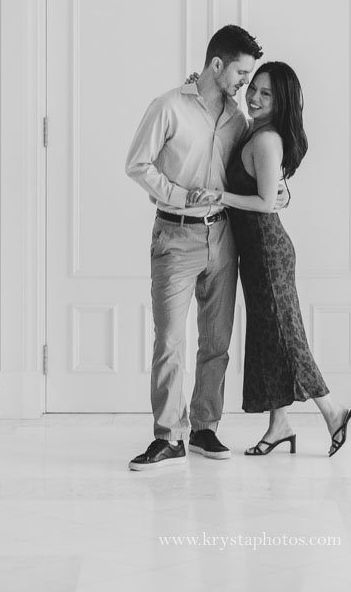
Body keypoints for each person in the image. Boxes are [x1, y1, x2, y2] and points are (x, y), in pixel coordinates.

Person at [123, 24, 274, 471]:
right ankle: (169, 436)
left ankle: (205, 427)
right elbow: (137, 164)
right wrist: (176, 195)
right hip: (175, 236)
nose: (245, 86)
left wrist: (277, 188)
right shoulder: (167, 107)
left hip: (224, 236)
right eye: (241, 75)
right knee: (169, 340)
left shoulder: (238, 119)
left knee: (217, 341)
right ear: (216, 65)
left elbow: (250, 169)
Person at [213, 62, 351, 457]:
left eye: (266, 94)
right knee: (268, 338)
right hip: (257, 249)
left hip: (268, 251)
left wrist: (220, 197)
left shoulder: (266, 140)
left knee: (287, 336)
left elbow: (264, 203)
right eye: (254, 89)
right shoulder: (256, 132)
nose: (255, 98)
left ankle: (334, 412)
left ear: (280, 103)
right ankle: (279, 425)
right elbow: (275, 192)